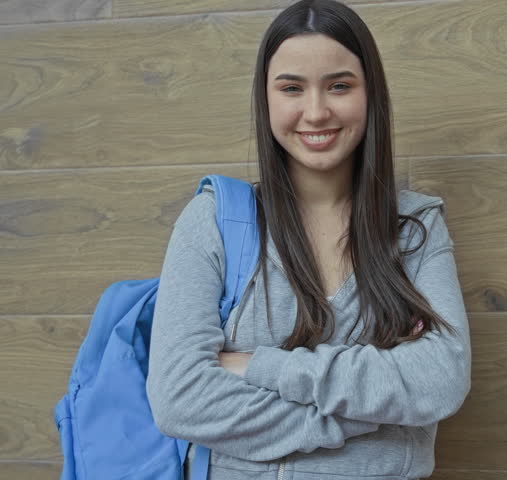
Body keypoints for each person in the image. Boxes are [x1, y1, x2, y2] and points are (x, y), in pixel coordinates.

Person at [145, 0, 472, 479]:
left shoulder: (416, 228)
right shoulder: (214, 221)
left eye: (339, 86)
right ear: (267, 99)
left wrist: (262, 367)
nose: (316, 112)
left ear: (370, 94)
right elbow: (179, 402)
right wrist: (376, 413)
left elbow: (440, 382)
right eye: (292, 88)